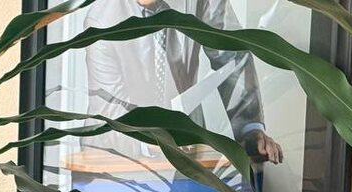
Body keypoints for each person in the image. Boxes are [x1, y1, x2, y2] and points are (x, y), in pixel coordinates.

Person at [81, 0, 284, 167]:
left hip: (185, 148)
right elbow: (111, 112)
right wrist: (159, 141)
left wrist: (250, 129)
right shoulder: (101, 19)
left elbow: (232, 56)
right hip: (114, 158)